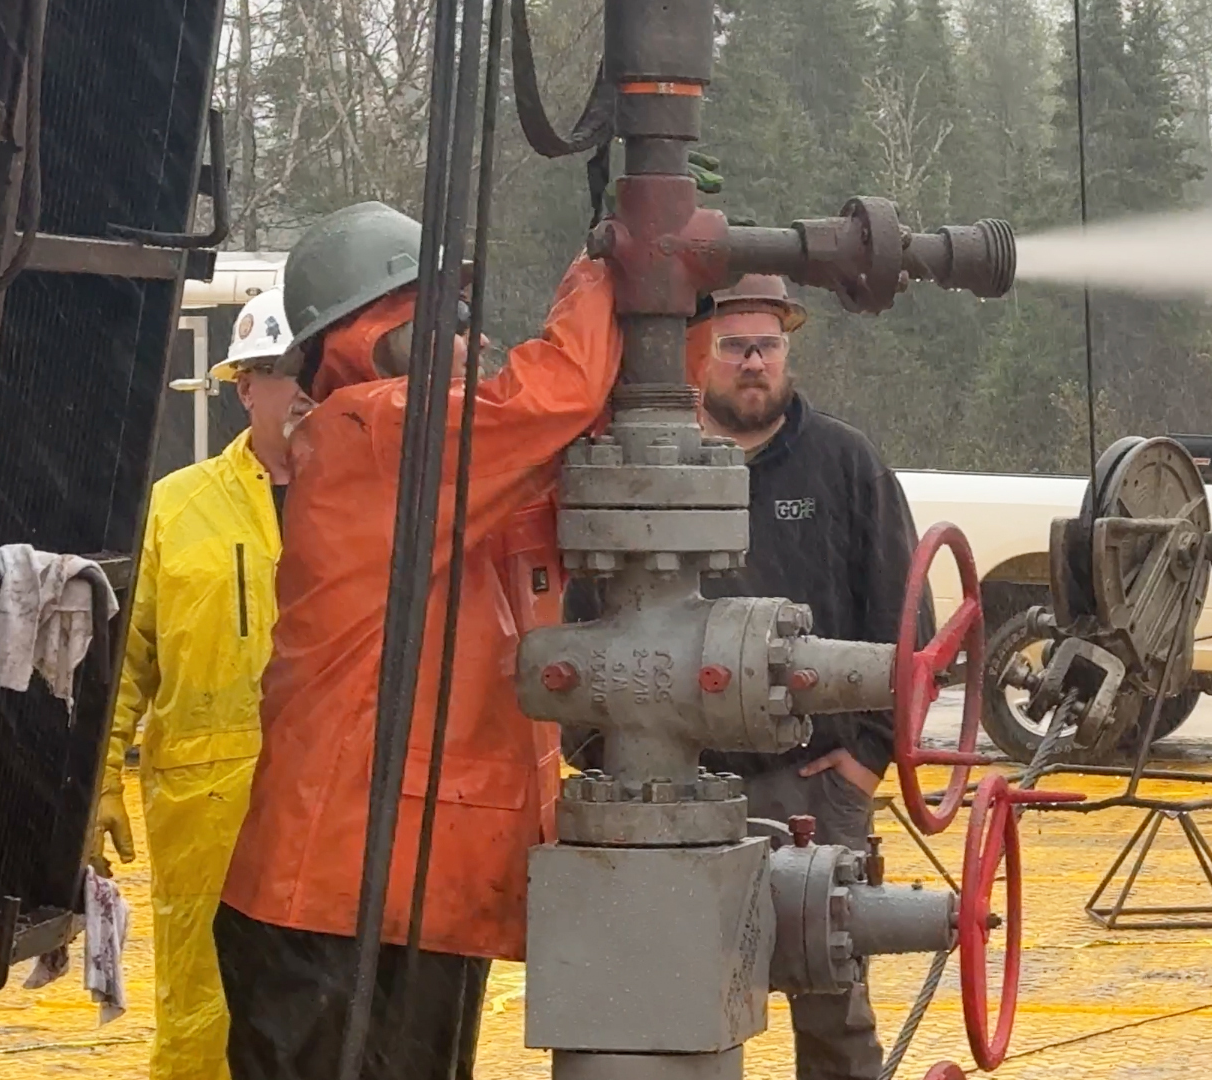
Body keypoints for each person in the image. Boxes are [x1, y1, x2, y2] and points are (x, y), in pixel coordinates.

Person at [211, 201, 620, 1080]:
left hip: (404, 892)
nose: (475, 341)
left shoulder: (440, 466)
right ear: (383, 332)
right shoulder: (378, 430)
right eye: (451, 320)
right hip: (339, 901)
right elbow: (563, 394)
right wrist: (608, 266)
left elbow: (587, 426)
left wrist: (685, 318)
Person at [567, 274, 926, 1080]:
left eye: (770, 346)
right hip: (676, 789)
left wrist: (869, 757)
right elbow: (586, 619)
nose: (755, 363)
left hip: (811, 782)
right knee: (660, 990)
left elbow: (907, 621)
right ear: (697, 354)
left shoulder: (844, 464)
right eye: (735, 346)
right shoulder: (640, 470)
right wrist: (602, 750)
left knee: (831, 991)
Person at [90, 287, 309, 1080]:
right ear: (244, 387)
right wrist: (100, 781)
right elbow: (126, 659)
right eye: (280, 371)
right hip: (206, 802)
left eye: (308, 369)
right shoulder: (177, 507)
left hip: (335, 794)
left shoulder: (369, 502)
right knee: (202, 1003)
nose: (300, 390)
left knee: (326, 999)